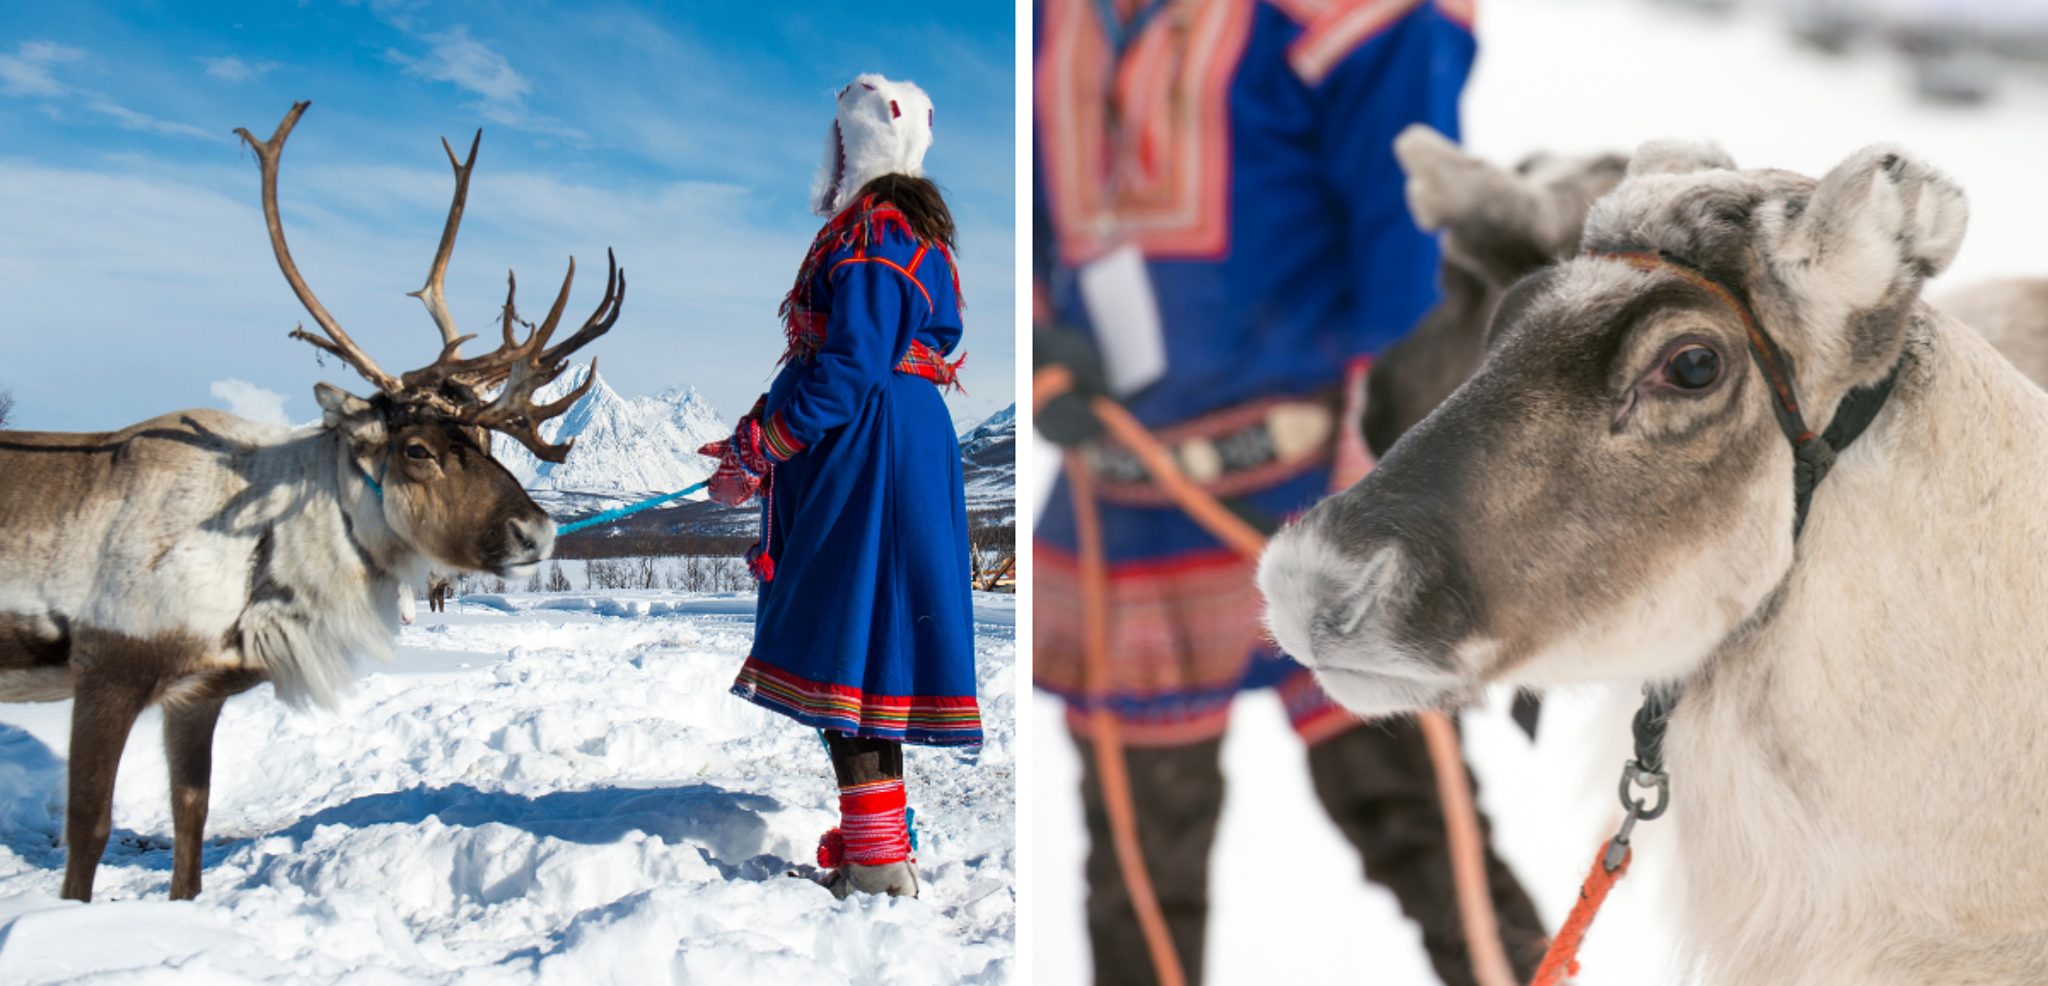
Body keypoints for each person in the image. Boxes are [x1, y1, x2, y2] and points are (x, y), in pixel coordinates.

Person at [1031, 1, 1549, 983]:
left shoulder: (1347, 18)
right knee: (1138, 875)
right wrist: (1042, 341)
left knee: (1424, 834)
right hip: (1124, 503)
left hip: (1328, 484)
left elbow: (1413, 268)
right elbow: (1031, 214)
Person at [701, 73, 979, 901]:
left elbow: (847, 369)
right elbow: (831, 365)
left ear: (848, 150)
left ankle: (880, 864)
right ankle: (879, 845)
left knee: (847, 647)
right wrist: (757, 430)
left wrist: (764, 449)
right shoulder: (909, 239)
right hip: (890, 441)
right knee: (865, 652)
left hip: (867, 452)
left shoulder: (870, 240)